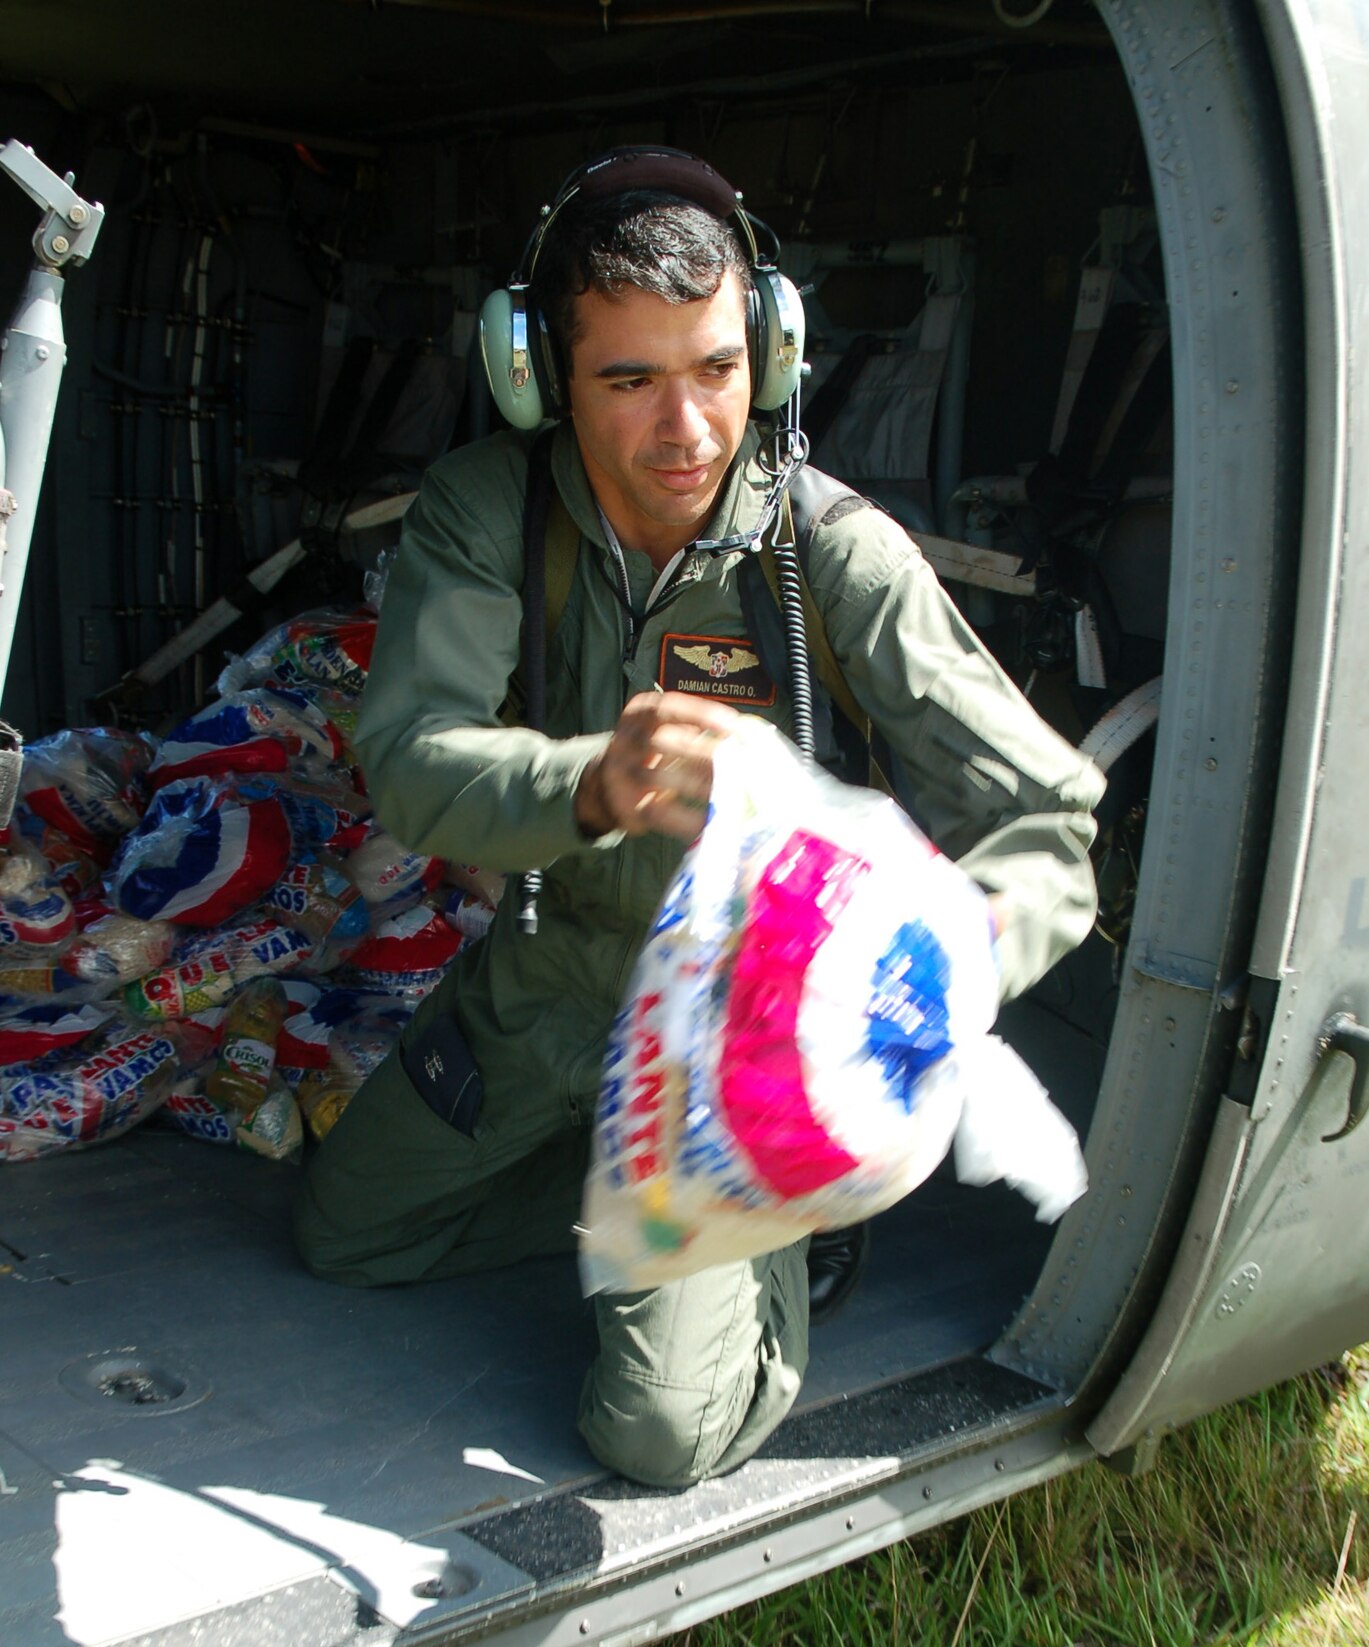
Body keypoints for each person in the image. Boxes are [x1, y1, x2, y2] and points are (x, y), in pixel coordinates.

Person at [293, 146, 1104, 1489]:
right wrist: (588, 785)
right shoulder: (486, 510)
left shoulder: (825, 549)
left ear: (768, 355)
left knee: (659, 1437)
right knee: (346, 1234)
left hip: (740, 1050)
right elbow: (413, 763)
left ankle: (771, 1234)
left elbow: (1052, 826)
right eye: (628, 380)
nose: (684, 429)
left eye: (715, 370)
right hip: (553, 985)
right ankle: (635, 1218)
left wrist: (913, 976)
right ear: (540, 376)